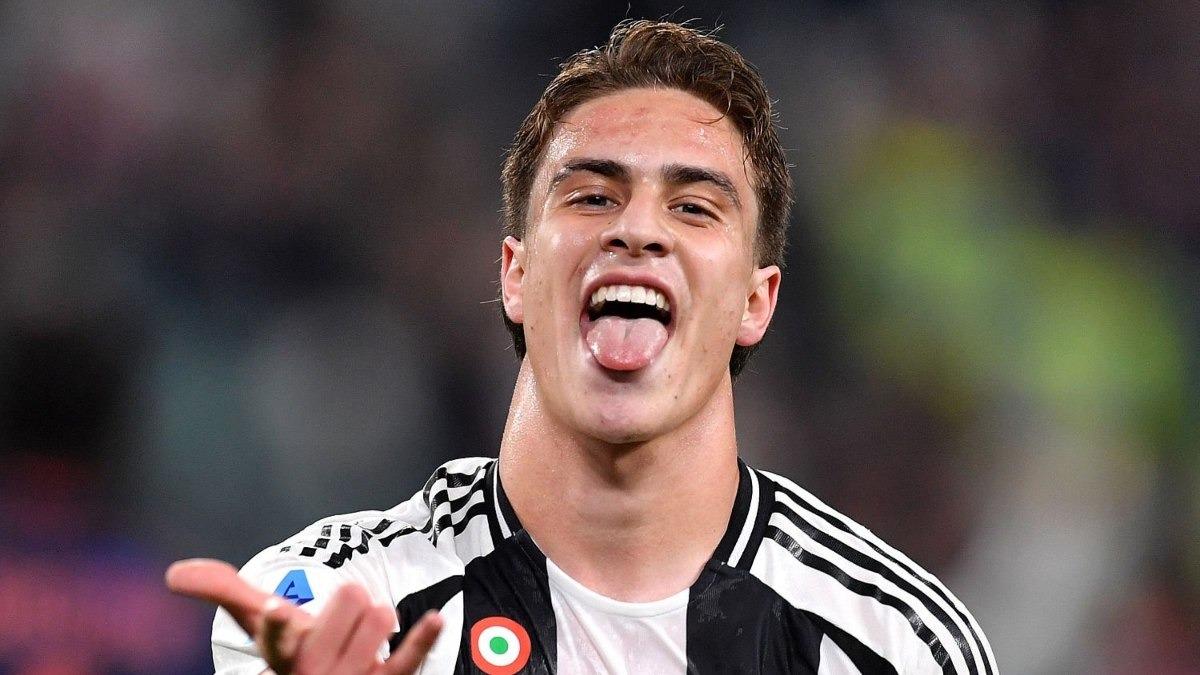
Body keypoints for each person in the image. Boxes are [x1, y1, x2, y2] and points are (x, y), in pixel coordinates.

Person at [167, 19, 997, 674]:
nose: (637, 229)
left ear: (756, 301)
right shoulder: (347, 601)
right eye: (593, 196)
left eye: (694, 207)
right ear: (517, 275)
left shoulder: (894, 644)